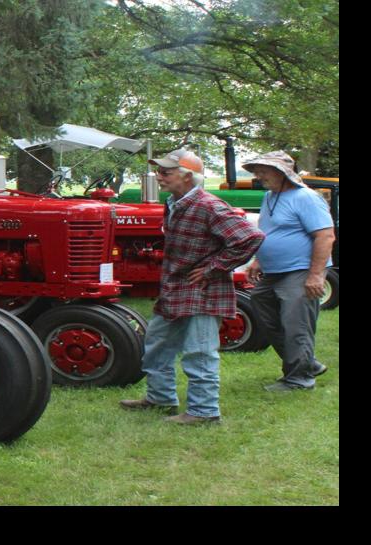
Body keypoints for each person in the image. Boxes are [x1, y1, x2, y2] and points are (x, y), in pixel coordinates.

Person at [119, 148, 263, 425]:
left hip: (203, 291)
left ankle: (204, 411)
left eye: (166, 172)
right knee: (157, 344)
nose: (159, 176)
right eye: (159, 171)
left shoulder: (209, 206)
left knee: (199, 351)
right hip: (175, 287)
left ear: (187, 176)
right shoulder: (174, 202)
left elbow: (249, 237)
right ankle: (160, 397)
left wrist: (213, 268)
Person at [239, 150, 336, 390]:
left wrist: (316, 275)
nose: (259, 176)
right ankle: (307, 363)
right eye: (256, 171)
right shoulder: (270, 197)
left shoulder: (306, 197)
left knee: (296, 325)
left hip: (301, 270)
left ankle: (299, 379)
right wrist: (259, 260)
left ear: (282, 172)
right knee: (262, 307)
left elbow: (325, 236)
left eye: (263, 171)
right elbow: (270, 231)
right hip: (274, 271)